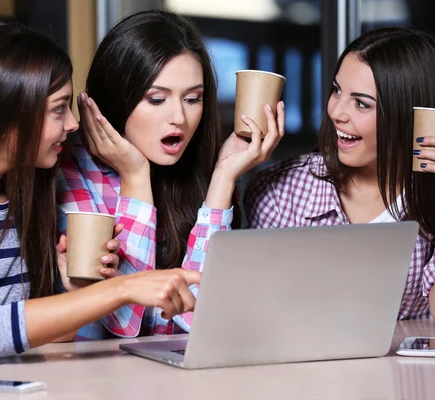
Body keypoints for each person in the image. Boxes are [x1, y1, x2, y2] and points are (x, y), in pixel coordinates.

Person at [0, 22, 200, 358]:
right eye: (59, 109)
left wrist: (75, 291)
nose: (72, 125)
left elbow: (34, 338)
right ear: (7, 114)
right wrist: (124, 288)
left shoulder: (19, 196)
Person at [244, 27, 435, 328]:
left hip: (413, 374)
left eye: (361, 103)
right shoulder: (284, 192)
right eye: (336, 90)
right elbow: (266, 319)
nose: (337, 112)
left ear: (405, 115)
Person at [57, 10, 285, 338]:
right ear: (115, 97)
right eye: (157, 99)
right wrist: (135, 175)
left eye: (193, 99)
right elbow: (125, 322)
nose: (178, 116)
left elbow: (201, 318)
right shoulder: (69, 168)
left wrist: (223, 179)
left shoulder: (199, 165)